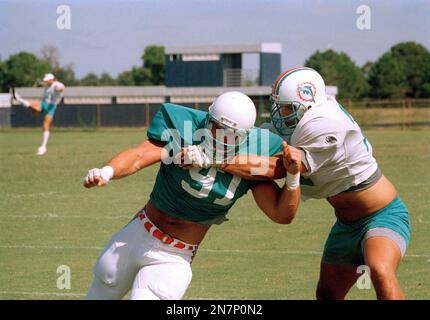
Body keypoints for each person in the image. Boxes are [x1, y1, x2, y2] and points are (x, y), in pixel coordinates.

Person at [183, 68, 411, 300]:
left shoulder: (325, 123)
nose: (280, 113)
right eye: (279, 106)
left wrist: (214, 159)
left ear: (309, 104)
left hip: (381, 214)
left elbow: (283, 168)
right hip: (345, 225)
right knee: (327, 295)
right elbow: (260, 146)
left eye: (287, 107)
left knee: (380, 271)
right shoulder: (303, 120)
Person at [83, 91, 302, 300]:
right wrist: (107, 171)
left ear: (245, 136)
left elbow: (282, 214)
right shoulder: (185, 128)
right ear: (208, 118)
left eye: (230, 133)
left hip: (174, 256)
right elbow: (140, 155)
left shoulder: (255, 155)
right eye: (216, 127)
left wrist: (293, 176)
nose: (220, 136)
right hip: (138, 232)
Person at [12, 73, 65, 155]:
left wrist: (58, 90)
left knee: (46, 126)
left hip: (51, 106)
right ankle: (19, 99)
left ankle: (43, 147)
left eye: (47, 80)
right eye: (45, 80)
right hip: (44, 103)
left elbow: (61, 88)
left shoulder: (56, 84)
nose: (46, 82)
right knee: (32, 104)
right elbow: (45, 96)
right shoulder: (47, 86)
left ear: (52, 79)